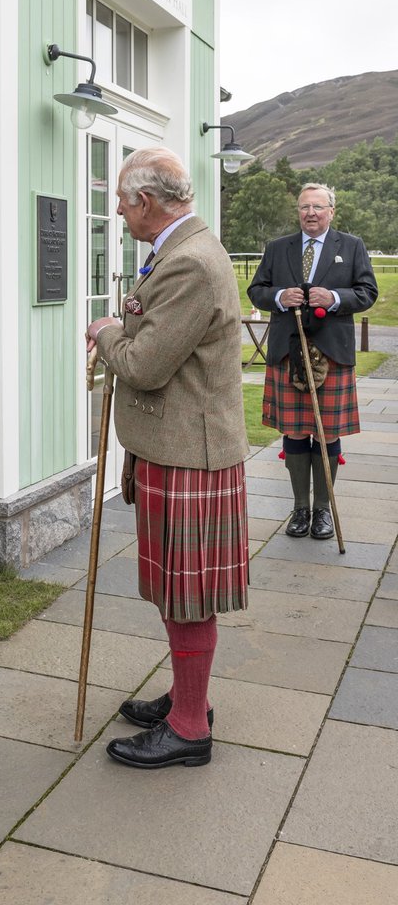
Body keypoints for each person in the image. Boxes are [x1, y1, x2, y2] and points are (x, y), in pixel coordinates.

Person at [87, 147, 248, 770]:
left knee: (187, 595)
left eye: (124, 205)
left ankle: (189, 727)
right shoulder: (183, 251)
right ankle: (189, 697)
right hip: (175, 447)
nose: (123, 217)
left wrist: (105, 332)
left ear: (148, 203)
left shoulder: (191, 264)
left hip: (189, 456)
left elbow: (146, 365)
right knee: (176, 590)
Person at [248, 183, 377, 540]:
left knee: (327, 432)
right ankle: (299, 509)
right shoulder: (278, 248)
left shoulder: (350, 246)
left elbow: (368, 292)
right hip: (288, 351)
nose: (310, 213)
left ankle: (323, 510)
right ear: (298, 211)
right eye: (305, 207)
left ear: (331, 211)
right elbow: (256, 290)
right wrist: (278, 296)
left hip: (331, 353)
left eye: (318, 207)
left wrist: (334, 296)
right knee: (295, 430)